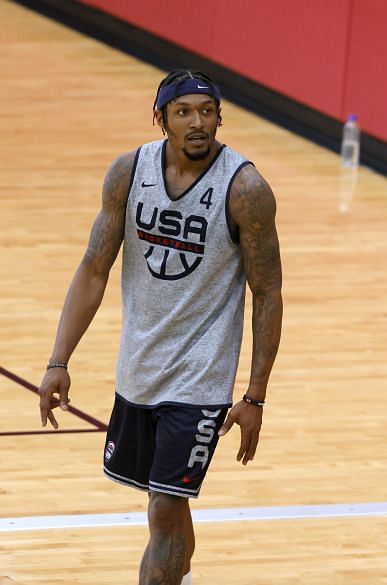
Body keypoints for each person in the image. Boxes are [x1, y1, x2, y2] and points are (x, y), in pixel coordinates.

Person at [37, 69, 283, 585]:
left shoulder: (246, 189)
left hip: (201, 378)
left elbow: (268, 292)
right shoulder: (129, 172)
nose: (199, 123)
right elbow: (93, 267)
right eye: (184, 112)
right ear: (161, 118)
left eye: (208, 111)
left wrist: (255, 395)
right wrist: (59, 360)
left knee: (168, 508)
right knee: (162, 503)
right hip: (140, 369)